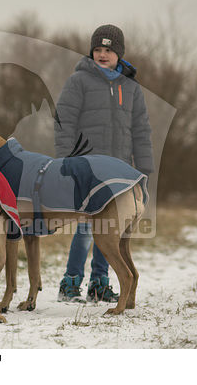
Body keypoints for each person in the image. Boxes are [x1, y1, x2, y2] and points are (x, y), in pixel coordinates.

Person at [54, 24, 153, 303]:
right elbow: (64, 122)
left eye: (108, 50)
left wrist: (143, 167)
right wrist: (65, 161)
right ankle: (71, 282)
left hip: (121, 171)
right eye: (97, 49)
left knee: (111, 229)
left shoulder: (131, 87)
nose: (102, 54)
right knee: (86, 227)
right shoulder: (79, 81)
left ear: (119, 53)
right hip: (88, 168)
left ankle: (100, 282)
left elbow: (141, 129)